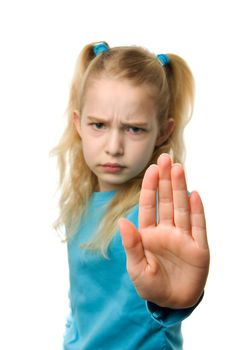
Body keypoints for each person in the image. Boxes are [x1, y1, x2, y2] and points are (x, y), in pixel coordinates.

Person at [50, 41, 210, 350]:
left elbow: (171, 293)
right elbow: (82, 303)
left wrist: (176, 301)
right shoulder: (78, 203)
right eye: (98, 124)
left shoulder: (162, 215)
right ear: (78, 123)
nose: (114, 146)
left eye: (134, 129)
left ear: (162, 132)